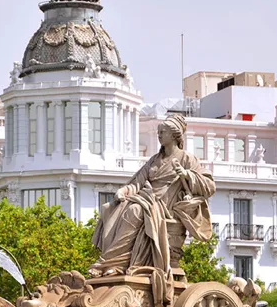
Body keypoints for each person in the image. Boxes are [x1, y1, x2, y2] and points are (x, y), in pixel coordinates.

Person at [89, 115, 215, 284]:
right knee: (116, 207)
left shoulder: (187, 159)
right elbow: (138, 182)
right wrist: (124, 190)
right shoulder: (154, 160)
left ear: (174, 135)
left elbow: (209, 186)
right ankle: (115, 264)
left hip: (166, 208)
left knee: (135, 209)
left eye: (163, 132)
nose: (159, 135)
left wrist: (186, 174)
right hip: (148, 200)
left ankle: (111, 262)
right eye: (158, 132)